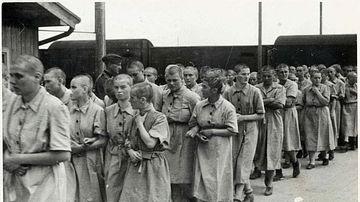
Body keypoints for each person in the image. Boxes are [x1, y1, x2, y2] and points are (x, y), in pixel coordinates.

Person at [3, 54, 71, 202]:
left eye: (19, 76)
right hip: (14, 184)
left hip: (44, 188)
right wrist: (7, 158)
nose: (13, 81)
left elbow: (63, 154)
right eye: (11, 76)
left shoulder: (53, 106)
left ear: (37, 77)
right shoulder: (11, 103)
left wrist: (18, 159)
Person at [186, 69, 238, 202]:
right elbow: (193, 123)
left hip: (220, 151)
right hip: (203, 150)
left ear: (214, 90)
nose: (201, 89)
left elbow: (232, 130)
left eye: (205, 87)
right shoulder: (200, 105)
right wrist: (197, 132)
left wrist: (213, 131)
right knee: (202, 181)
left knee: (218, 181)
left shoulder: (227, 107)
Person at [119, 82, 171, 202]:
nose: (129, 100)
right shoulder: (135, 117)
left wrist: (140, 124)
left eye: (132, 98)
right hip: (135, 165)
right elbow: (128, 139)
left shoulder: (159, 118)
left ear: (143, 100)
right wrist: (130, 150)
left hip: (153, 166)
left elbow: (150, 143)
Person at [223, 63, 264, 202]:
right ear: (235, 75)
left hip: (251, 129)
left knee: (244, 161)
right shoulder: (228, 92)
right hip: (234, 130)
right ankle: (249, 192)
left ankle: (237, 196)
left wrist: (243, 117)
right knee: (234, 160)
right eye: (243, 74)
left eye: (248, 74)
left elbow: (261, 114)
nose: (246, 77)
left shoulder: (255, 91)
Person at [162, 65, 200, 201]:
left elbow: (200, 118)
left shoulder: (191, 97)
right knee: (171, 177)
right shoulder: (164, 95)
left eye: (175, 80)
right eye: (169, 80)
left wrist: (195, 129)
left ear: (182, 79)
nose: (171, 83)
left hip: (185, 138)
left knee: (183, 177)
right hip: (168, 136)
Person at [69, 75, 107, 202]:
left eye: (74, 87)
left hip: (91, 160)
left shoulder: (97, 110)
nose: (70, 90)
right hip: (72, 161)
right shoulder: (69, 110)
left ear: (85, 89)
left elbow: (102, 140)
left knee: (92, 195)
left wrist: (80, 148)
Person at [255, 65, 286, 196]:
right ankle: (256, 171)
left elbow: (280, 105)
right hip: (259, 121)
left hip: (274, 121)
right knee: (258, 149)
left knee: (272, 151)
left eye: (269, 76)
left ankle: (269, 183)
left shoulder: (280, 88)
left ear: (274, 76)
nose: (267, 78)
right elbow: (254, 104)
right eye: (264, 76)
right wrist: (269, 100)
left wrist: (263, 102)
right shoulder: (256, 88)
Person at [104, 74, 135, 202]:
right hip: (113, 157)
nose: (119, 91)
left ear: (131, 88)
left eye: (123, 87)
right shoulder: (108, 110)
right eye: (116, 87)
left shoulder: (137, 110)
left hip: (132, 158)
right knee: (112, 191)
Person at [274, 64, 301, 181]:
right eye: (281, 72)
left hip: (288, 114)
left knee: (288, 142)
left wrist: (274, 100)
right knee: (276, 143)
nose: (284, 74)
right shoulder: (274, 84)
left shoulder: (292, 84)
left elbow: (289, 103)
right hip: (277, 113)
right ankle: (278, 170)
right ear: (277, 73)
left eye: (286, 72)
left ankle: (295, 163)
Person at [303, 69, 335, 169]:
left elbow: (325, 102)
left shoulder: (325, 88)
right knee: (310, 135)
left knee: (323, 133)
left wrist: (317, 92)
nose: (317, 80)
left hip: (322, 112)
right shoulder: (306, 89)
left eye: (319, 78)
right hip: (310, 113)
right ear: (311, 78)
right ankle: (312, 161)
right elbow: (304, 101)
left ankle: (324, 156)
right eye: (315, 78)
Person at [295, 65, 312, 158]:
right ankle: (299, 149)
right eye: (297, 70)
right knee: (297, 128)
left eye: (300, 70)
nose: (298, 72)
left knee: (304, 129)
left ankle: (306, 149)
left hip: (305, 109)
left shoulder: (308, 83)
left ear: (304, 72)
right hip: (297, 107)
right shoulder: (295, 83)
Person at [327, 67, 345, 149]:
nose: (330, 74)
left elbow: (342, 95)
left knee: (335, 122)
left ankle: (335, 142)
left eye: (331, 72)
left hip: (336, 103)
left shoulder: (340, 83)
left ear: (335, 72)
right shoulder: (326, 82)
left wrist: (336, 96)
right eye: (328, 72)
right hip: (327, 103)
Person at [341, 72, 357, 151]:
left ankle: (353, 141)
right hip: (347, 106)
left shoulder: (357, 86)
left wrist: (354, 92)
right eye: (353, 78)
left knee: (354, 124)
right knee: (347, 124)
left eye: (356, 77)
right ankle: (346, 142)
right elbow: (342, 95)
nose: (355, 79)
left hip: (355, 106)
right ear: (348, 78)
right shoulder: (344, 86)